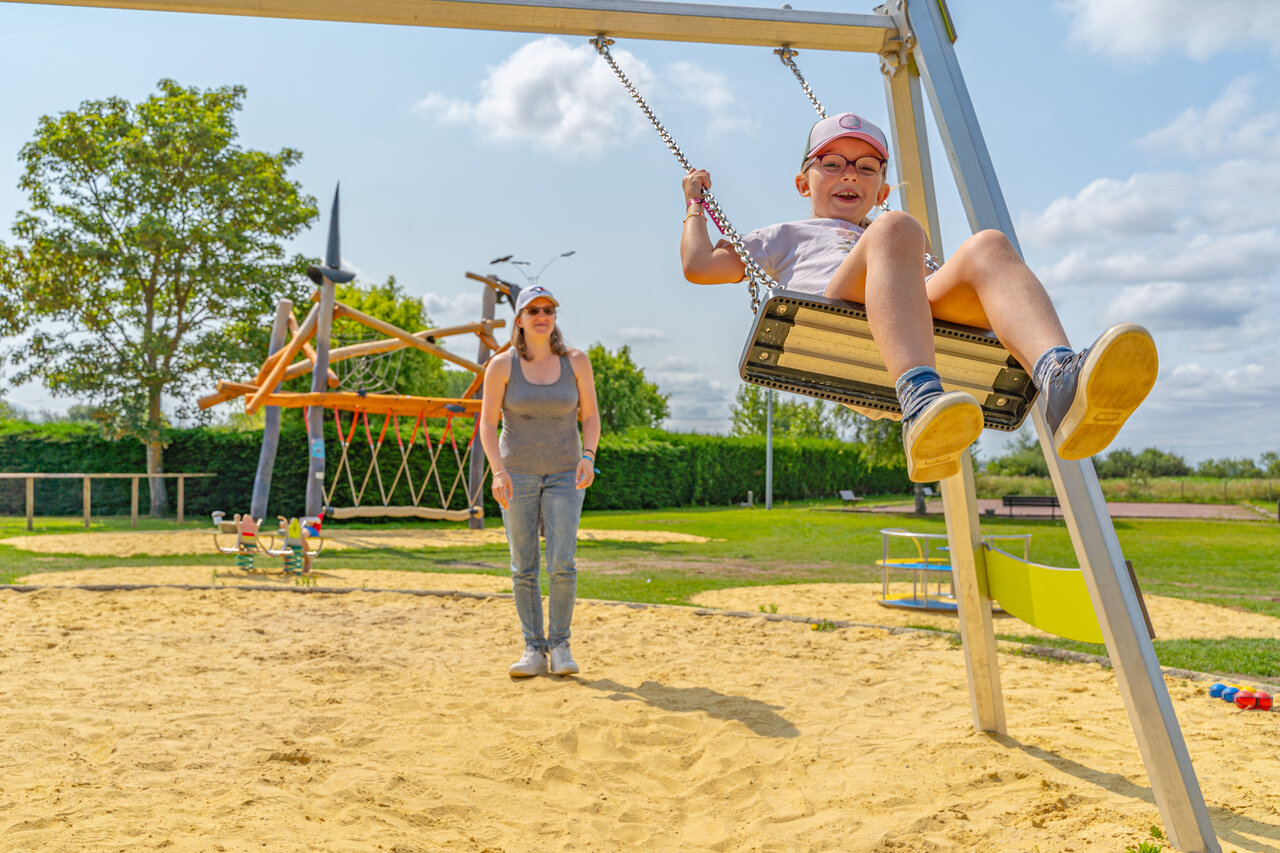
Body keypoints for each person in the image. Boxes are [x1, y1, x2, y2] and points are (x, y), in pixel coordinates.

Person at [679, 112, 1157, 482]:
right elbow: (699, 268)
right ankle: (920, 400)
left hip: (912, 320)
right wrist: (695, 207)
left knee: (988, 244)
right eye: (832, 163)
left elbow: (920, 261)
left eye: (866, 168)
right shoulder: (785, 235)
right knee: (900, 228)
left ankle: (1060, 381)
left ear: (881, 188)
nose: (850, 175)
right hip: (837, 322)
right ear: (804, 181)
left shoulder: (891, 234)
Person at [478, 285, 601, 677]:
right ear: (519, 318)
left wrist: (589, 456)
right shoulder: (501, 366)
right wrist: (498, 472)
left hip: (567, 473)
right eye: (533, 310)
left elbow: (591, 416)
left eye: (548, 310)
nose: (542, 316)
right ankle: (534, 648)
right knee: (523, 566)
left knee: (562, 562)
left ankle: (561, 645)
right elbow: (486, 423)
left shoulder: (576, 361)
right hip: (517, 476)